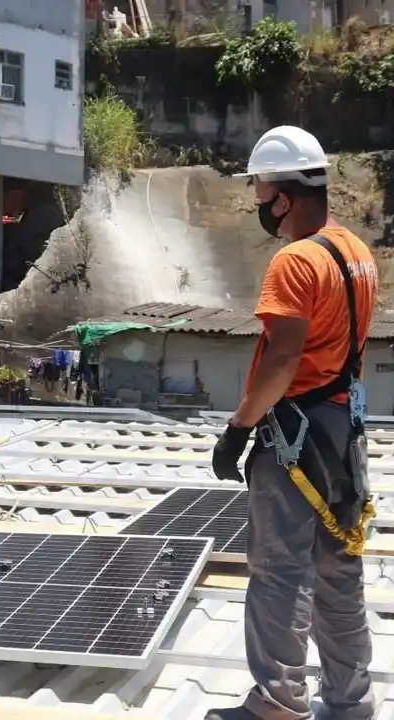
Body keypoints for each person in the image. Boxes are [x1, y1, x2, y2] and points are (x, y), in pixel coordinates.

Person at [206, 125, 376, 720]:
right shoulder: (356, 253)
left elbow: (281, 361)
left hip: (296, 436)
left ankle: (278, 703)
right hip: (342, 432)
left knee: (280, 572)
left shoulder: (296, 262)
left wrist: (238, 428)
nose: (258, 206)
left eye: (260, 194)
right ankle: (351, 701)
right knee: (338, 567)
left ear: (283, 197)